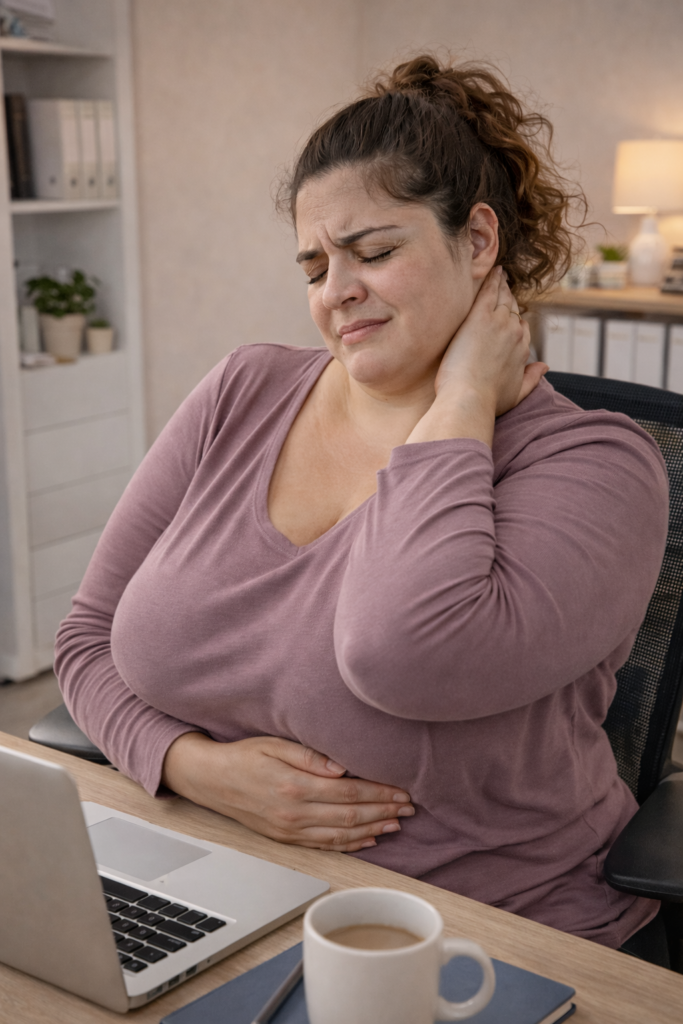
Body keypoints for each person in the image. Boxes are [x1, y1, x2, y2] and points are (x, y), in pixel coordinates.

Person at [55, 55, 669, 953]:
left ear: (477, 242)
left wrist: (458, 407)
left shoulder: (599, 465)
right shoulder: (243, 389)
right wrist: (196, 768)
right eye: (313, 265)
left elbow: (402, 653)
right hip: (224, 886)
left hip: (487, 939)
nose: (335, 290)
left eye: (374, 253)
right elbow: (85, 641)